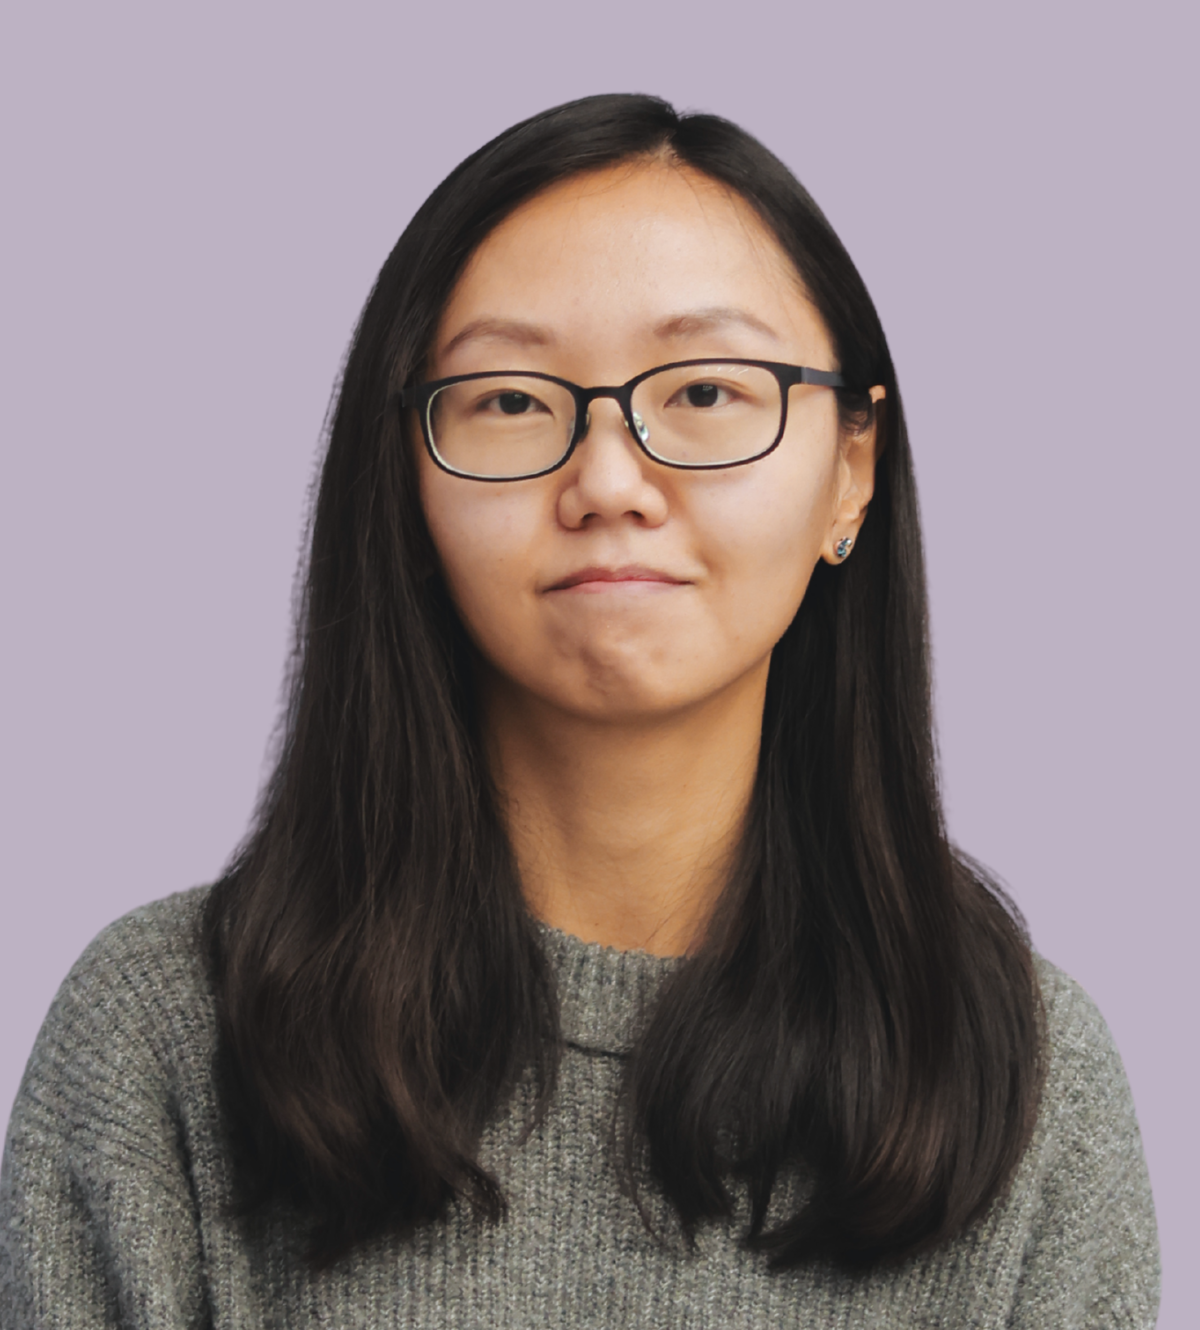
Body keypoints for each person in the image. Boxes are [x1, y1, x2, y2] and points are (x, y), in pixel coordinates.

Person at [0, 95, 1160, 1327]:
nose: (608, 480)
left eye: (708, 391)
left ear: (852, 470)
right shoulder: (167, 1038)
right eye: (510, 400)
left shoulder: (1023, 1080)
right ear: (404, 481)